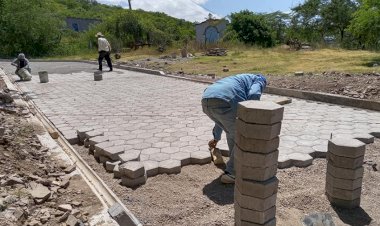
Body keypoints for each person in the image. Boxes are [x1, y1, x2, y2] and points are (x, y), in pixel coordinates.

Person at [201, 73, 267, 184]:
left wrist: (216, 138)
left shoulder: (240, 78)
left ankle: (235, 163)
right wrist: (250, 117)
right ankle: (232, 173)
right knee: (242, 136)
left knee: (231, 131)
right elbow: (254, 94)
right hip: (227, 100)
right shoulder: (259, 79)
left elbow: (222, 120)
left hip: (206, 100)